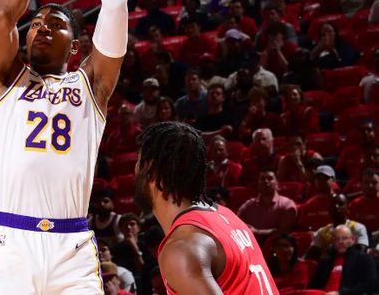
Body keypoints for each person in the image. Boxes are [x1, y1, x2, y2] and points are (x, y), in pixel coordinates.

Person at [0, 0, 127, 294]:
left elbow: (116, 5)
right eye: (37, 22)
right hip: (12, 241)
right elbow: (1, 19)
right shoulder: (4, 80)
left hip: (72, 247)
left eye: (56, 23)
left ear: (75, 46)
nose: (41, 26)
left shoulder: (92, 84)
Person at [134, 122, 279, 294]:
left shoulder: (183, 247)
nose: (134, 171)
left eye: (138, 163)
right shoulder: (226, 215)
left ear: (152, 173)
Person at [308, 225, 377, 293]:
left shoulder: (365, 259)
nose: (340, 241)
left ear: (352, 240)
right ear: (333, 242)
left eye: (344, 238)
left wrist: (340, 293)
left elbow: (370, 285)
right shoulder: (325, 262)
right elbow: (313, 286)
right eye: (337, 239)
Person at [237, 169, 298, 241]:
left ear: (277, 183)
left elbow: (283, 231)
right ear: (258, 183)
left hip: (275, 245)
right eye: (262, 179)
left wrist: (257, 232)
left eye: (270, 178)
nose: (266, 181)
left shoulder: (287, 204)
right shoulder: (248, 205)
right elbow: (237, 225)